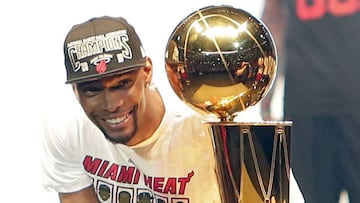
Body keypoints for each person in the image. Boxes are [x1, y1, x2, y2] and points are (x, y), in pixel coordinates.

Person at [41, 15, 304, 203]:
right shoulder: (66, 126)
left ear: (147, 71)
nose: (112, 105)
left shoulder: (212, 123)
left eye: (123, 84)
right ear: (75, 91)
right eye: (93, 90)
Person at [262, 1, 360, 202]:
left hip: (351, 97)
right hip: (304, 102)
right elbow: (274, 20)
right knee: (309, 198)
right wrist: (265, 95)